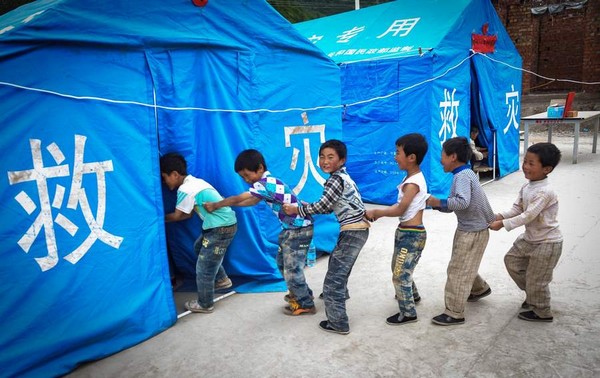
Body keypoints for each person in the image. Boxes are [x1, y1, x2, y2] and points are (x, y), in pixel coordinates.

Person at [203, 149, 316, 316]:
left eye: (247, 175)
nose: (246, 180)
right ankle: (303, 294)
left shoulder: (265, 183)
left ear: (260, 168)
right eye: (243, 177)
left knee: (292, 269)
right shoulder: (267, 184)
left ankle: (305, 303)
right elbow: (251, 201)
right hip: (291, 229)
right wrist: (230, 205)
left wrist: (216, 205)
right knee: (283, 264)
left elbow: (239, 198)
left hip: (298, 230)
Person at [283, 139, 369, 335]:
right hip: (358, 230)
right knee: (338, 266)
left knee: (332, 282)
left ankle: (338, 323)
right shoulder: (343, 177)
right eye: (322, 157)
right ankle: (343, 293)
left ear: (342, 160)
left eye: (330, 157)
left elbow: (322, 206)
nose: (324, 161)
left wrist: (298, 209)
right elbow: (329, 204)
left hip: (352, 231)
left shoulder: (334, 180)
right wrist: (307, 205)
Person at [489, 143, 562, 322]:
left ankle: (542, 311)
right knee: (512, 261)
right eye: (525, 161)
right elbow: (517, 209)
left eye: (531, 163)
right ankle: (533, 295)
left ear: (547, 169)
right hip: (530, 239)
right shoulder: (527, 186)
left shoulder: (545, 192)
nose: (525, 166)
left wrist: (502, 224)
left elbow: (527, 216)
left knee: (538, 280)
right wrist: (497, 215)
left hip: (547, 243)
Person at [426, 137, 495, 326]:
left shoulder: (462, 176)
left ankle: (455, 312)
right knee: (464, 264)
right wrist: (438, 205)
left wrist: (437, 201)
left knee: (457, 270)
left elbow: (462, 202)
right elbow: (457, 204)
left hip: (472, 232)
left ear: (453, 157)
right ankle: (479, 289)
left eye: (442, 155)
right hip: (471, 228)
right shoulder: (466, 173)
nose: (440, 160)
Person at [160, 153, 237, 314]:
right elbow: (187, 214)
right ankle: (222, 279)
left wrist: (157, 220)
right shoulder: (195, 182)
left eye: (165, 177)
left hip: (219, 228)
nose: (164, 182)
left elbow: (178, 216)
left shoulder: (185, 189)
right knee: (198, 247)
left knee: (204, 268)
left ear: (174, 174)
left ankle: (205, 303)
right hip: (224, 225)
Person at [365, 133, 429, 326]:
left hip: (412, 234)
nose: (395, 156)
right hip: (405, 232)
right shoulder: (411, 177)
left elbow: (400, 209)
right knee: (400, 268)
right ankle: (412, 295)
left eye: (398, 152)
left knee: (400, 274)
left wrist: (377, 211)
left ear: (411, 157)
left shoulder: (413, 183)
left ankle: (408, 313)